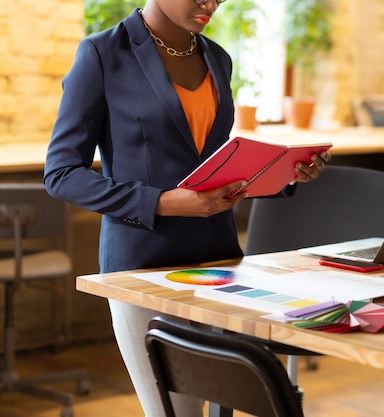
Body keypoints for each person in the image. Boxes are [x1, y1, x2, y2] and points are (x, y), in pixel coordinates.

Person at [43, 1, 330, 416]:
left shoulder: (218, 58)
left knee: (227, 405)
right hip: (142, 268)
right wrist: (160, 202)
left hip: (220, 262)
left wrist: (284, 173)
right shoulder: (102, 54)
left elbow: (212, 169)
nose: (210, 3)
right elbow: (62, 173)